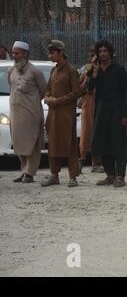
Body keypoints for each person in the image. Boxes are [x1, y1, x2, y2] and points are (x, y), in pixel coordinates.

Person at [87, 40, 127, 188]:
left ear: (110, 53)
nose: (103, 54)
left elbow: (125, 93)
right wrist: (95, 72)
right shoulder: (95, 70)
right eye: (100, 51)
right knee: (100, 142)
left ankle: (120, 176)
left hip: (117, 110)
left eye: (105, 51)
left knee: (118, 143)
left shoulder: (119, 69)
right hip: (101, 110)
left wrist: (125, 114)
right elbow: (89, 88)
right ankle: (110, 174)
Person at [41, 40, 82, 188]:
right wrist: (47, 97)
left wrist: (58, 101)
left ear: (60, 52)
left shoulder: (71, 71)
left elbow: (76, 92)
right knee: (52, 144)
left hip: (66, 114)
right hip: (53, 114)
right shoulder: (53, 70)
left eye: (52, 52)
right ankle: (54, 175)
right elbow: (47, 89)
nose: (49, 55)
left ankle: (73, 177)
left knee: (70, 145)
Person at [7, 41, 46, 183]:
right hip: (16, 114)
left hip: (31, 113)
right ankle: (23, 171)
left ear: (25, 54)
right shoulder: (11, 71)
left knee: (32, 143)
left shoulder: (35, 71)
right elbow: (11, 87)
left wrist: (32, 103)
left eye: (17, 53)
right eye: (13, 53)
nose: (14, 56)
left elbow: (43, 90)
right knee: (19, 143)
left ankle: (30, 173)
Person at [78, 49, 103, 174]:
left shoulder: (104, 71)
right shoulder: (85, 70)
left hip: (100, 105)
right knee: (86, 133)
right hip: (88, 105)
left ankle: (95, 162)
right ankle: (81, 161)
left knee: (98, 134)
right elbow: (80, 88)